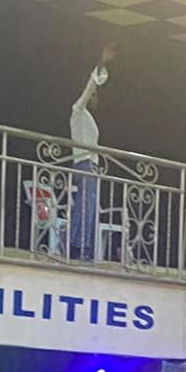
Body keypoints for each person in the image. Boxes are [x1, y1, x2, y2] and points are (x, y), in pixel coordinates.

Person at [68, 44, 114, 260]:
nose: (95, 98)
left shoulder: (88, 118)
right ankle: (77, 246)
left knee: (88, 207)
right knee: (85, 207)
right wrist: (101, 62)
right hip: (84, 164)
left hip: (91, 166)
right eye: (94, 96)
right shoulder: (78, 111)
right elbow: (89, 88)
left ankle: (81, 246)